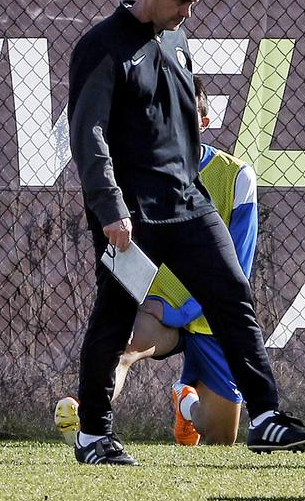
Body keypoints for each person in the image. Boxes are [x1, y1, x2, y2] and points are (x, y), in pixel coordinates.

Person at [62, 0, 305, 465]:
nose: (187, 13)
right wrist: (110, 208)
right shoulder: (102, 46)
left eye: (194, 2)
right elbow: (89, 135)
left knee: (232, 297)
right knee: (114, 317)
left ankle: (266, 417)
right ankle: (94, 435)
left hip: (188, 204)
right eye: (180, 0)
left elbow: (181, 129)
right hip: (132, 217)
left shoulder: (176, 41)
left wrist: (191, 187)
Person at [58, 78, 257, 446]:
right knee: (122, 347)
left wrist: (182, 313)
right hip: (159, 308)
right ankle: (86, 418)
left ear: (205, 122)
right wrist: (127, 302)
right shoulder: (140, 173)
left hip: (212, 321)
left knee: (219, 439)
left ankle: (186, 403)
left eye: (188, 118)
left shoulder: (237, 177)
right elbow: (130, 248)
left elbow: (236, 273)